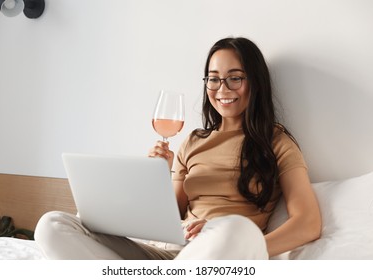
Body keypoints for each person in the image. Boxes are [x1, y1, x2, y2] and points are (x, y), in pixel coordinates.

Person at [35, 37, 321, 259]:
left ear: (255, 83)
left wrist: (248, 249)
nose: (222, 88)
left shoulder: (276, 142)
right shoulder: (193, 142)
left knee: (238, 230)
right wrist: (157, 179)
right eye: (213, 77)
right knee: (53, 226)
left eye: (235, 77)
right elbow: (169, 219)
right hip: (175, 255)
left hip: (223, 253)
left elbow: (308, 222)